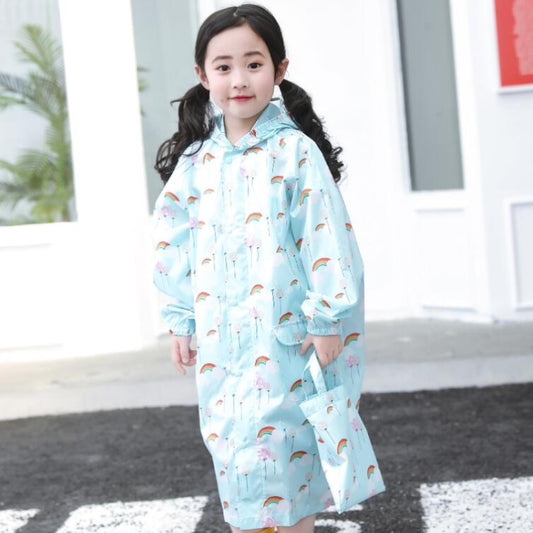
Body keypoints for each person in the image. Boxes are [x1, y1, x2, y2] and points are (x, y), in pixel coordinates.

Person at [152, 4, 384, 532]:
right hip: (221, 344)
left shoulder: (295, 153)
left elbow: (326, 236)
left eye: (253, 64)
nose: (239, 79)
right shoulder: (196, 163)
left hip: (287, 340)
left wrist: (326, 317)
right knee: (235, 453)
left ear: (279, 69)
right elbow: (171, 243)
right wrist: (181, 319)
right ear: (203, 75)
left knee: (288, 455)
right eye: (224, 66)